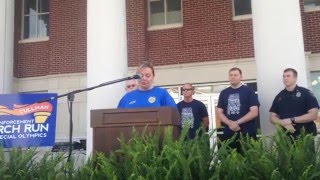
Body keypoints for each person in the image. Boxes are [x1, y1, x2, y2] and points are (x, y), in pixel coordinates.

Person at [216, 67, 260, 152]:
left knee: (248, 159)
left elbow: (254, 112)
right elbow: (219, 112)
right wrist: (230, 123)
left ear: (241, 77)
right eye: (231, 75)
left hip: (247, 133)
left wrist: (236, 123)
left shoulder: (248, 91)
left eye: (235, 75)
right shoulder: (224, 93)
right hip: (229, 133)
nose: (233, 77)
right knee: (230, 159)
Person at [269, 68, 319, 139]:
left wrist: (291, 120)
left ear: (295, 78)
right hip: (286, 137)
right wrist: (283, 122)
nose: (285, 78)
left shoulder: (306, 93)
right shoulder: (279, 96)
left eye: (288, 76)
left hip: (305, 135)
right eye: (284, 76)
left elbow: (313, 115)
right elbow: (272, 117)